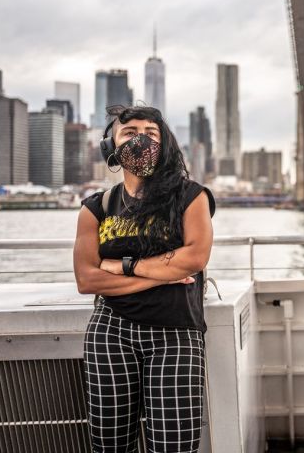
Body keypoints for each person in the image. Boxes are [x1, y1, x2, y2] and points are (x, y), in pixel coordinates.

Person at [73, 105, 215, 452]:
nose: (141, 140)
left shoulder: (191, 196)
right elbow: (87, 279)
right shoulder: (98, 206)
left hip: (175, 331)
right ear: (112, 147)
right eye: (129, 132)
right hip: (111, 332)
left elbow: (194, 258)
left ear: (164, 142)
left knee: (173, 444)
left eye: (151, 133)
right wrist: (162, 274)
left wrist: (121, 266)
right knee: (110, 443)